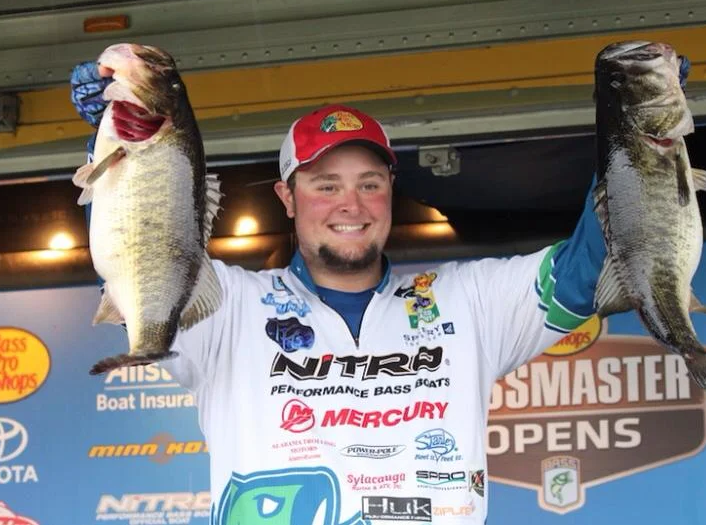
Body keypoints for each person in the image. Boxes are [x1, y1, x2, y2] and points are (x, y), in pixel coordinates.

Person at [71, 62, 608, 525]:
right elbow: (136, 257)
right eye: (326, 185)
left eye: (369, 184)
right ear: (287, 197)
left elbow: (588, 268)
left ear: (390, 192)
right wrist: (118, 134)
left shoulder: (468, 302)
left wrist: (630, 138)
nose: (351, 205)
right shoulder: (230, 306)